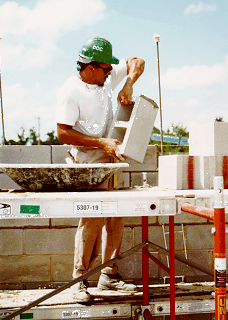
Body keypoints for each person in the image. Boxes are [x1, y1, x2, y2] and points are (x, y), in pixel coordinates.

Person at [56, 36, 145, 302]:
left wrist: (128, 82)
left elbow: (137, 61)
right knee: (92, 218)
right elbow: (62, 133)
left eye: (111, 70)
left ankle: (109, 275)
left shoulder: (104, 78)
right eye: (106, 69)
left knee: (116, 216)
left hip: (110, 157)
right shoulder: (70, 91)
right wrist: (100, 142)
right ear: (90, 67)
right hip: (87, 161)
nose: (110, 73)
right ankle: (79, 280)